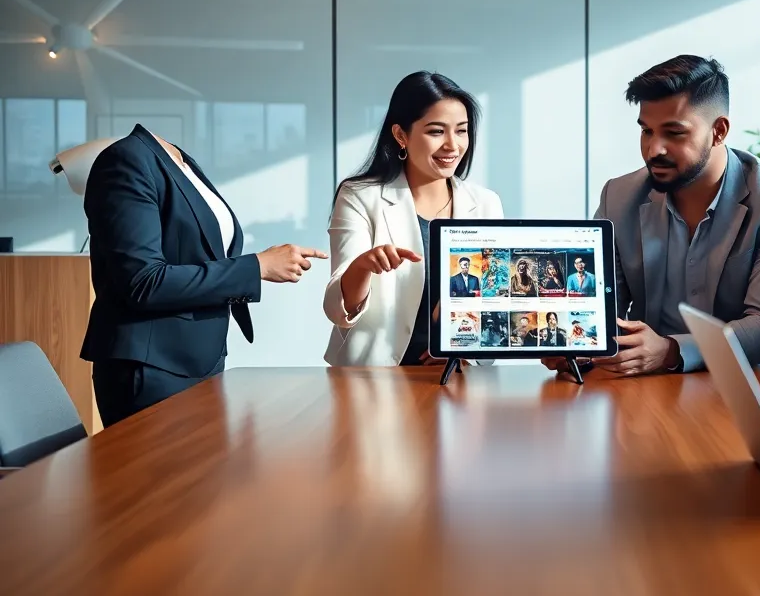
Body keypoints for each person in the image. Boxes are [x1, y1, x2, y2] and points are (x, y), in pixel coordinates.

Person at [551, 55, 760, 376]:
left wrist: (672, 350)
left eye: (674, 133)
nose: (654, 149)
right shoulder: (617, 197)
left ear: (718, 131)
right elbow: (603, 313)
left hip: (749, 381)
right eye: (647, 131)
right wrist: (578, 344)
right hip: (647, 383)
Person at [81, 124, 325, 426]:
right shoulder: (127, 159)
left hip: (199, 363)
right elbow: (143, 281)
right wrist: (256, 266)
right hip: (152, 368)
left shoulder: (181, 161)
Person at [323, 71, 503, 367]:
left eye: (461, 131)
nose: (452, 145)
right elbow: (337, 308)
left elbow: (493, 301)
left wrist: (461, 349)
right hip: (374, 375)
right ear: (400, 135)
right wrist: (363, 266)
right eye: (436, 131)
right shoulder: (360, 195)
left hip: (454, 374)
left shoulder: (486, 203)